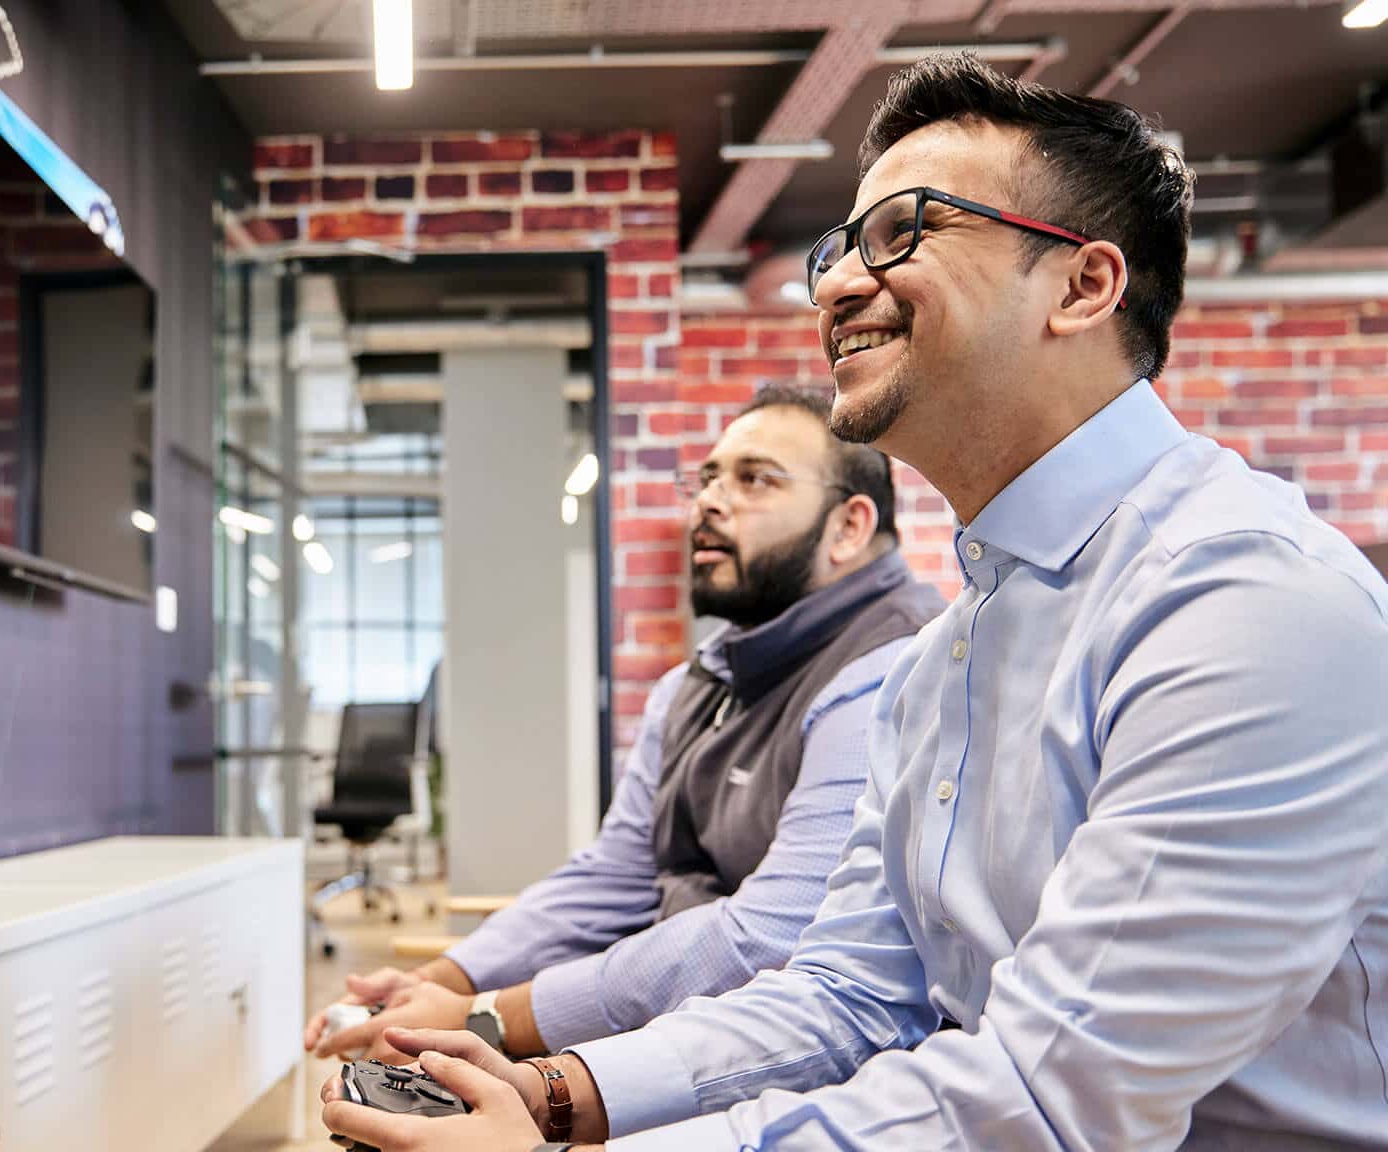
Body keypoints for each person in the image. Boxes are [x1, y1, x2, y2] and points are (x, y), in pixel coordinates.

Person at [322, 52, 1388, 1152]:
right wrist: (550, 1096)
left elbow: (1049, 1095)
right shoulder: (952, 652)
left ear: (1082, 286)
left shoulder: (1246, 605)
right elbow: (846, 992)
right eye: (839, 250)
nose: (829, 286)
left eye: (906, 232)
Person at [306, 386, 944, 1066]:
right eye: (706, 479)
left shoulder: (889, 671)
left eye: (754, 479)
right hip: (698, 1041)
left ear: (848, 526)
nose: (709, 502)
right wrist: (444, 979)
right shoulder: (700, 681)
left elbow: (769, 938)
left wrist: (487, 1017)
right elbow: (617, 871)